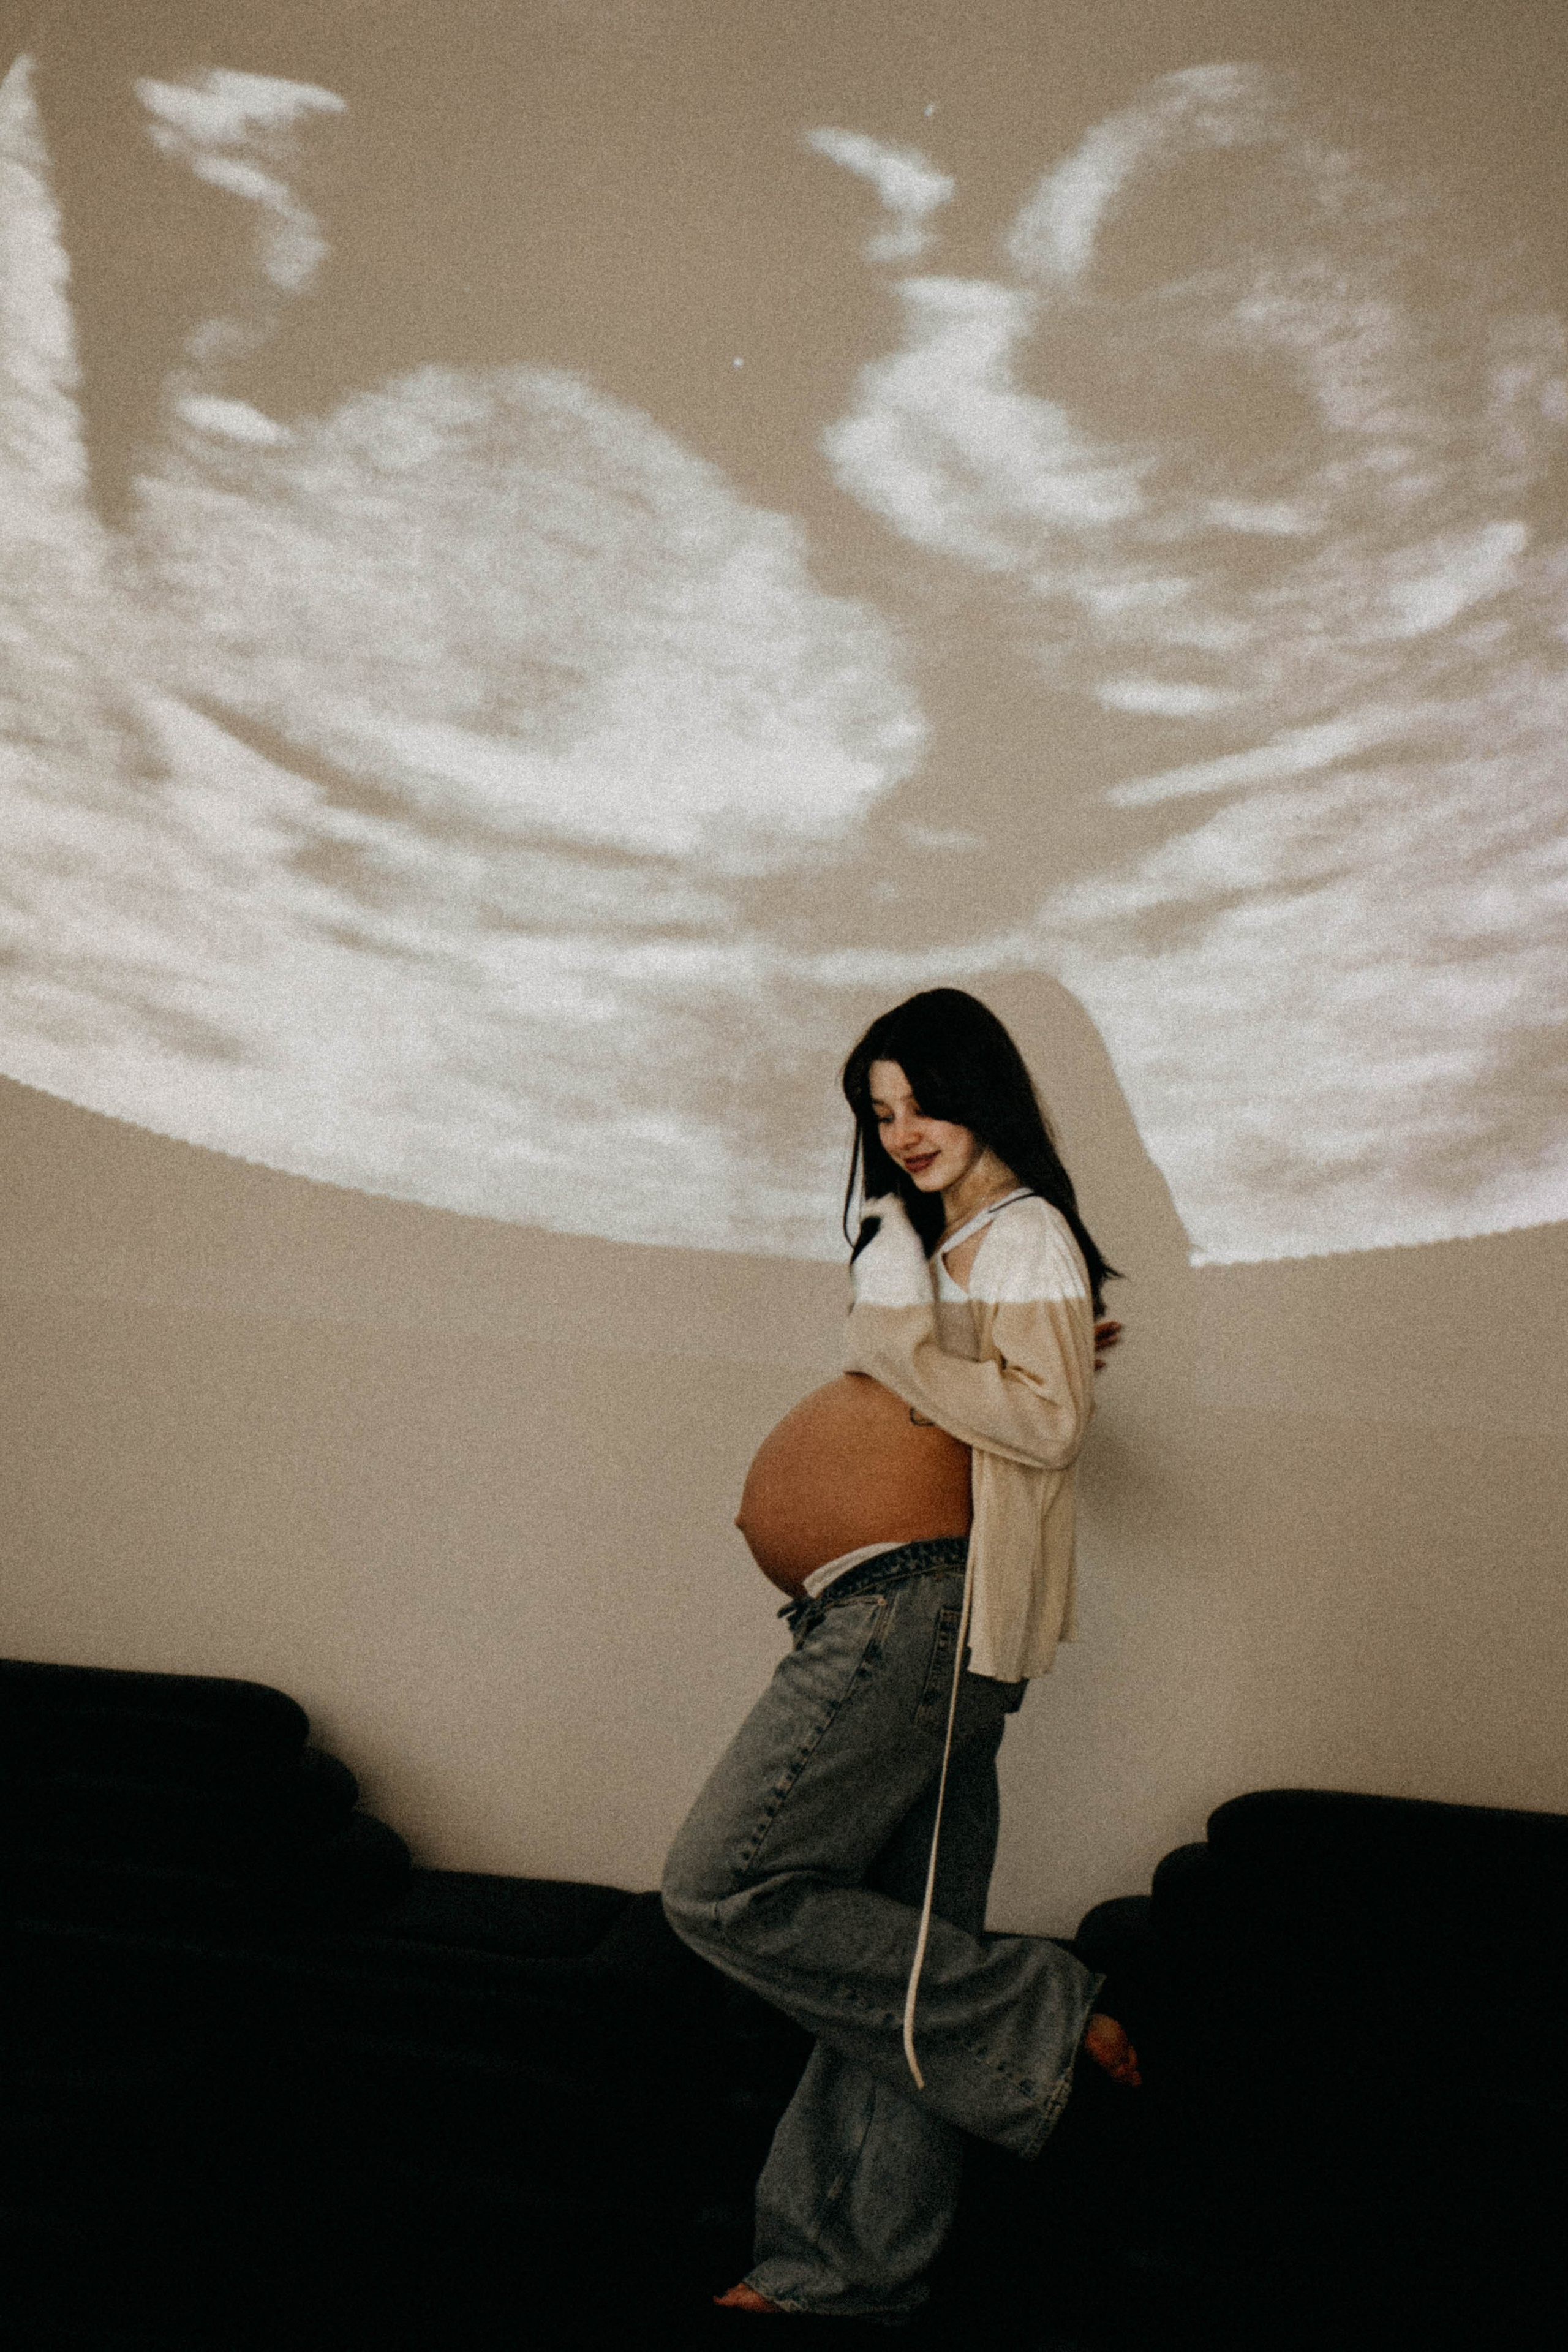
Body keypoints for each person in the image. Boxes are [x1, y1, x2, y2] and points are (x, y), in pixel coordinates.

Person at [661, 987, 1140, 2328]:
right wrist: (930, 1336)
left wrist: (901, 1350)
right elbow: (1006, 1387)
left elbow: (1046, 1430)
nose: (903, 1129)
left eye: (920, 1098)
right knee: (897, 1966)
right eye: (879, 1113)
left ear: (979, 1090)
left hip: (924, 1610)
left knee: (721, 1886)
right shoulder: (957, 1240)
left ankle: (1038, 2012)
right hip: (882, 1610)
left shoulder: (1023, 1229)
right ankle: (842, 2275)